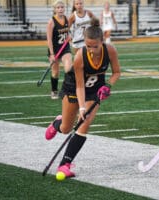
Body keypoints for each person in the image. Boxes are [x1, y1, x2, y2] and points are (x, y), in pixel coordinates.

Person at [45, 18, 121, 179]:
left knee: (84, 124)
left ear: (103, 41)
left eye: (96, 46)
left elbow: (116, 73)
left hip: (95, 90)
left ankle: (64, 164)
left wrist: (108, 85)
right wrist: (82, 108)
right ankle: (56, 123)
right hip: (74, 88)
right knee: (66, 128)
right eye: (88, 46)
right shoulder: (80, 56)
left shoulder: (111, 51)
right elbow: (80, 86)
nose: (92, 49)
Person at [46, 0, 72, 99]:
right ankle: (54, 90)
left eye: (62, 7)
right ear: (55, 9)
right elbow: (49, 40)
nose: (60, 9)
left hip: (65, 48)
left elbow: (67, 32)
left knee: (68, 69)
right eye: (58, 7)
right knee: (55, 72)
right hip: (55, 50)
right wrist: (52, 54)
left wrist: (69, 37)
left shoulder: (67, 19)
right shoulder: (51, 22)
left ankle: (66, 90)